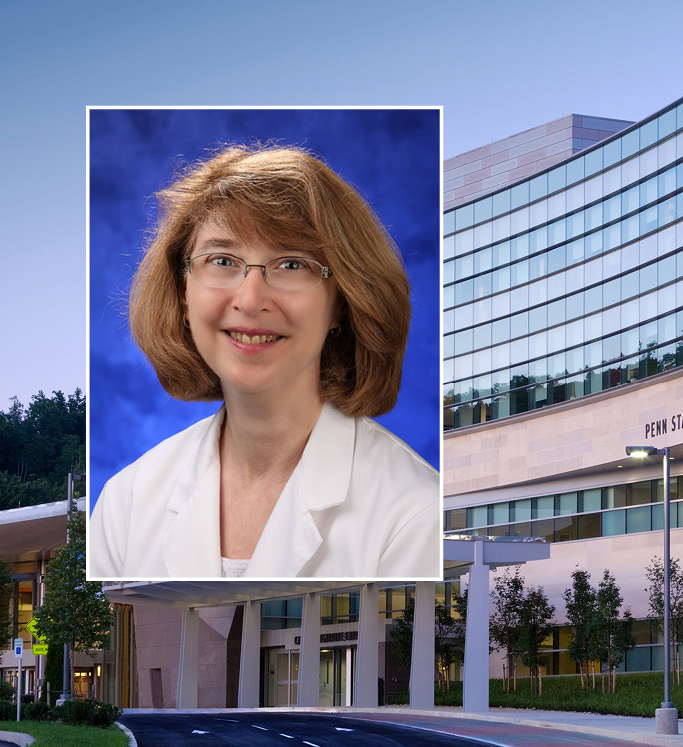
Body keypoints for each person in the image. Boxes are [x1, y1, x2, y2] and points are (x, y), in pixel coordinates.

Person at [88, 144, 439, 579]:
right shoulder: (126, 503)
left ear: (342, 304)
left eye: (292, 263)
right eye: (222, 260)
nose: (250, 301)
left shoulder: (415, 512)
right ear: (183, 294)